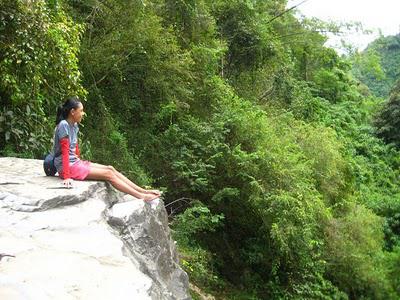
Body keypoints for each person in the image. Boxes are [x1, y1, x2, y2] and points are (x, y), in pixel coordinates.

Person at [52, 96, 160, 202]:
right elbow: (65, 151)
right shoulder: (63, 125)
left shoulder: (74, 125)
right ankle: (141, 196)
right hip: (66, 167)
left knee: (110, 168)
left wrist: (80, 160)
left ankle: (143, 191)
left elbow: (75, 147)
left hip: (75, 162)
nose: (83, 113)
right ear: (72, 112)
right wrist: (66, 177)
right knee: (108, 175)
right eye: (81, 111)